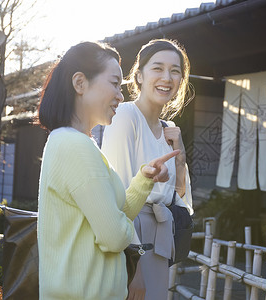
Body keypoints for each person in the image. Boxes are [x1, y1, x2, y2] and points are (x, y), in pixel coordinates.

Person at [36, 41, 179, 300]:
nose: (120, 95)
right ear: (80, 83)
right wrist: (129, 231)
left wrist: (143, 180)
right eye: (114, 83)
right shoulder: (74, 145)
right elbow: (113, 237)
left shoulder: (78, 142)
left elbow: (116, 215)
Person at [101, 38, 194, 300]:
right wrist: (134, 269)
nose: (167, 77)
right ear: (138, 76)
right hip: (132, 244)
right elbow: (116, 197)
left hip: (160, 241)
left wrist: (180, 158)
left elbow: (179, 199)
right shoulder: (125, 116)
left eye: (175, 71)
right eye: (158, 68)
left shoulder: (169, 128)